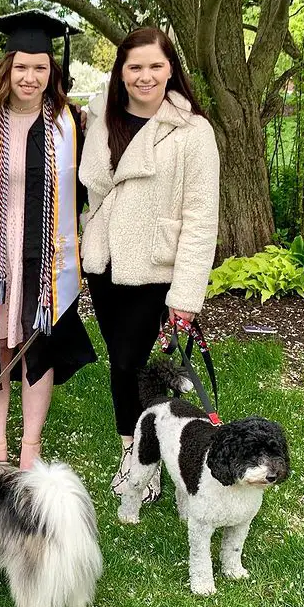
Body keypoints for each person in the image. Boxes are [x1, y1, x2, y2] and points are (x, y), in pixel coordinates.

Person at [78, 26, 220, 502]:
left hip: (154, 266)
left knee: (131, 363)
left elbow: (202, 217)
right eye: (134, 66)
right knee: (122, 367)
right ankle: (134, 448)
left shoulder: (192, 130)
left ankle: (148, 455)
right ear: (120, 72)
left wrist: (186, 294)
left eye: (155, 66)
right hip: (105, 264)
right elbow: (96, 190)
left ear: (170, 69)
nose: (144, 76)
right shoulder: (104, 119)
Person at [0, 10, 97, 470]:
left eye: (40, 68)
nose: (31, 76)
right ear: (6, 68)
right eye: (22, 66)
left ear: (51, 73)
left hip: (44, 259)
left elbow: (83, 188)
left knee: (36, 346)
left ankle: (30, 447)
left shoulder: (69, 123)